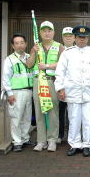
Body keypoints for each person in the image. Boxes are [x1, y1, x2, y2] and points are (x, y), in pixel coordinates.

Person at [55, 26, 90, 157]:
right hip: (72, 92)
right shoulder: (67, 53)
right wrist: (60, 88)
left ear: (87, 38)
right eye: (79, 37)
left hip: (89, 92)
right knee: (74, 119)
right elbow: (60, 72)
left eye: (84, 37)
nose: (82, 40)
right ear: (75, 38)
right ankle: (74, 144)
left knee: (88, 120)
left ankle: (87, 145)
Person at [26, 21, 65, 152]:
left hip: (52, 81)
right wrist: (33, 52)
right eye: (44, 31)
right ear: (40, 33)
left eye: (49, 30)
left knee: (53, 111)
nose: (47, 33)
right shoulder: (36, 46)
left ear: (53, 32)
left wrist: (47, 66)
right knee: (39, 111)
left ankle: (52, 140)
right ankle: (41, 140)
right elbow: (29, 64)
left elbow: (63, 64)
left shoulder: (59, 47)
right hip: (38, 82)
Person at [2, 33, 35, 152]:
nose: (20, 45)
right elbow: (5, 78)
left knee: (27, 117)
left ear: (25, 44)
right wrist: (9, 93)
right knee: (16, 117)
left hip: (28, 91)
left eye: (22, 43)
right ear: (12, 46)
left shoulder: (29, 57)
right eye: (17, 43)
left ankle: (25, 138)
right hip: (16, 93)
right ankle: (17, 141)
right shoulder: (9, 59)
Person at [57, 27, 75, 144]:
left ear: (74, 37)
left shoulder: (78, 50)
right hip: (61, 85)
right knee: (60, 111)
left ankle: (71, 135)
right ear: (62, 37)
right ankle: (60, 134)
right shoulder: (58, 49)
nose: (68, 37)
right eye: (66, 35)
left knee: (72, 113)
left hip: (73, 87)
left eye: (70, 35)